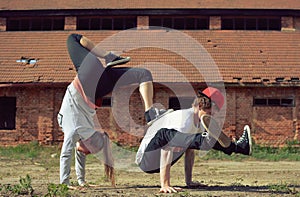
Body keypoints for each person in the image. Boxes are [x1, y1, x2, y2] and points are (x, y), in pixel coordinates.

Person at [58, 33, 170, 188]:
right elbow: (70, 154)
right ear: (89, 142)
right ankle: (149, 111)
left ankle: (150, 112)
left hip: (96, 86)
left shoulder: (83, 132)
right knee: (73, 38)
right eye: (86, 152)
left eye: (85, 152)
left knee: (144, 74)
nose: (82, 153)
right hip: (90, 82)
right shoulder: (78, 130)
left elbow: (71, 154)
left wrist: (73, 183)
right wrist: (76, 182)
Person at [135, 87, 252, 193]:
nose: (210, 116)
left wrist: (189, 181)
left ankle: (239, 147)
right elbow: (167, 148)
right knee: (165, 134)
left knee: (195, 141)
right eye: (209, 113)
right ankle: (206, 140)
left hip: (159, 161)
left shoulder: (200, 124)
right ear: (200, 106)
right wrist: (165, 184)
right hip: (146, 160)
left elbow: (189, 152)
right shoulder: (183, 119)